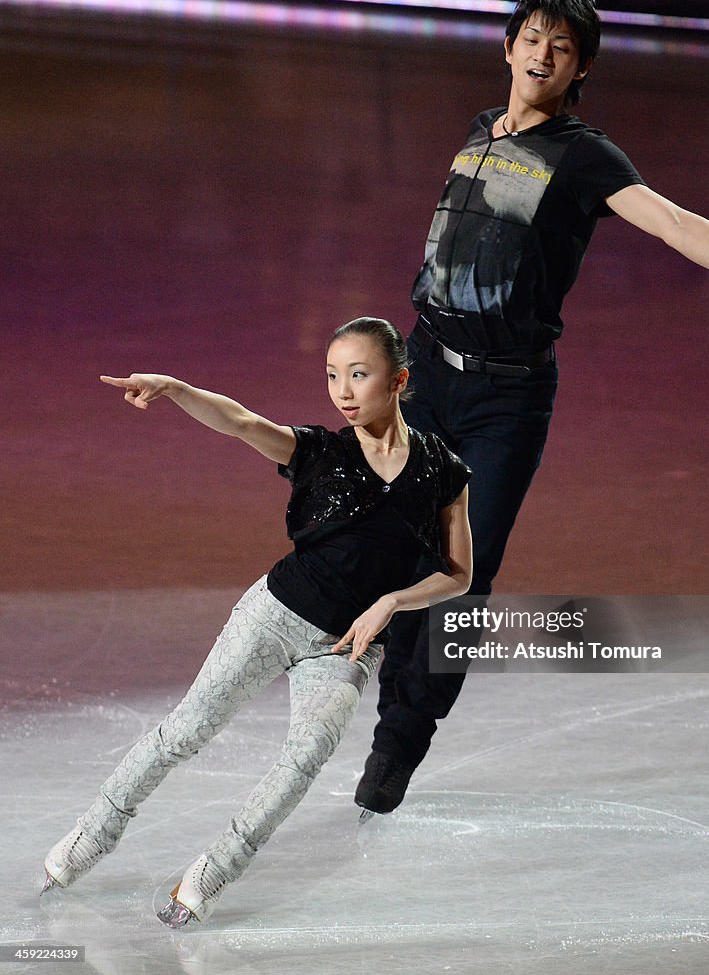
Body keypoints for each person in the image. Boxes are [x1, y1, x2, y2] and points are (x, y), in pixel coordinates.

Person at [353, 0, 709, 816]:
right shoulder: (477, 133)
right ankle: (349, 668)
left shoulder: (583, 156)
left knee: (462, 573)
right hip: (423, 377)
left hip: (505, 402)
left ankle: (397, 743)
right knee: (384, 541)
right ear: (507, 46)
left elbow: (674, 221)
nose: (543, 53)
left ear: (579, 70)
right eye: (533, 36)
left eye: (563, 46)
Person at [40, 316, 471, 927]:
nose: (342, 391)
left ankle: (211, 872)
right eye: (331, 376)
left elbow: (458, 574)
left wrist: (393, 602)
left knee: (306, 758)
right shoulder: (321, 452)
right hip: (274, 615)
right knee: (187, 730)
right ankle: (93, 835)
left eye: (358, 375)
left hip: (346, 648)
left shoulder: (441, 472)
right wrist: (175, 388)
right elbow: (242, 423)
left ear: (398, 380)